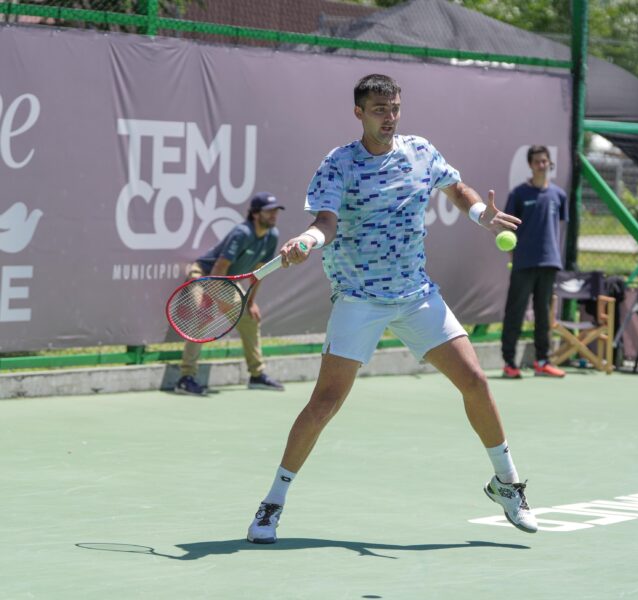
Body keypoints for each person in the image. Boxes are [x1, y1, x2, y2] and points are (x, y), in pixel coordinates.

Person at [245, 73, 538, 544]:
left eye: (395, 107)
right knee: (324, 404)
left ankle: (507, 483)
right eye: (380, 109)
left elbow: (456, 188)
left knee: (476, 381)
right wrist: (308, 240)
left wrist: (482, 215)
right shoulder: (338, 164)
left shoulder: (420, 150)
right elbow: (325, 222)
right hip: (359, 299)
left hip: (416, 295)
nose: (390, 117)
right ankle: (272, 503)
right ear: (359, 112)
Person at [174, 193, 286, 395]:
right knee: (201, 316)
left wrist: (250, 302)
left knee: (250, 319)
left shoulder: (273, 236)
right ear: (255, 214)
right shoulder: (242, 233)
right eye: (269, 211)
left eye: (276, 211)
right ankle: (186, 378)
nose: (274, 215)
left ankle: (257, 375)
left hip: (228, 281)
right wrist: (216, 298)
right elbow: (219, 267)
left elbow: (259, 273)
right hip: (206, 275)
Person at [500, 145, 569, 379]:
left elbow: (558, 227)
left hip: (549, 262)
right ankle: (509, 362)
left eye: (545, 161)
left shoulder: (559, 195)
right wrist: (514, 258)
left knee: (543, 314)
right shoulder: (519, 194)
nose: (542, 165)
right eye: (538, 161)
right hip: (524, 263)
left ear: (550, 164)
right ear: (530, 165)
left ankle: (542, 361)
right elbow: (508, 227)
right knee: (515, 312)